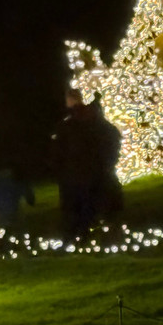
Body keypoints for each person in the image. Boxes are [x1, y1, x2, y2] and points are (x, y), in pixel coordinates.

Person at [48, 88, 122, 239]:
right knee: (84, 206)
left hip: (86, 174)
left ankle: (87, 233)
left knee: (89, 205)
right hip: (81, 174)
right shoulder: (72, 126)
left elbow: (111, 143)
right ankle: (85, 233)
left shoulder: (77, 126)